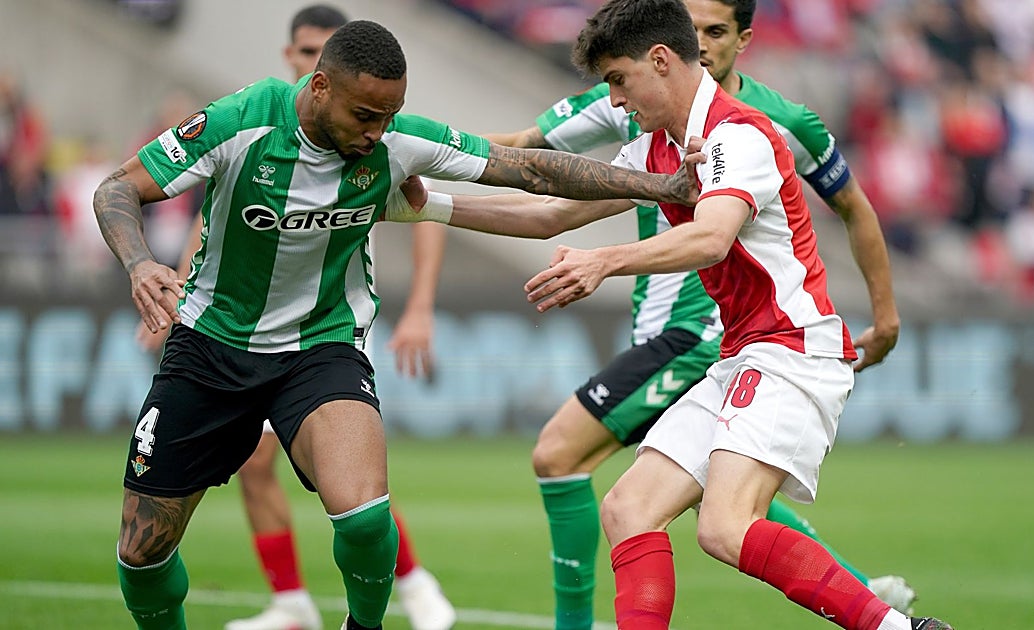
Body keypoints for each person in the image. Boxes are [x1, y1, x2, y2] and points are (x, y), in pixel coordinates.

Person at [95, 19, 699, 630]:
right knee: (142, 555)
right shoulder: (241, 120)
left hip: (320, 347)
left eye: (389, 116)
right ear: (320, 87)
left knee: (364, 516)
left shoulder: (395, 140)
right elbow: (117, 188)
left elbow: (529, 170)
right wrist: (140, 262)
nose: (377, 132)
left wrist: (663, 186)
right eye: (365, 116)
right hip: (209, 348)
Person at [387, 0, 954, 628]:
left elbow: (711, 237)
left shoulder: (738, 134)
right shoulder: (655, 149)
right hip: (740, 355)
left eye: (618, 80)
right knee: (629, 508)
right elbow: (551, 213)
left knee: (725, 526)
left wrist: (605, 261)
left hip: (792, 350)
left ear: (660, 60)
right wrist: (427, 206)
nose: (615, 99)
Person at [134, 7, 456, 630]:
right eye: (306, 52)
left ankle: (413, 581)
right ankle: (291, 601)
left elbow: (432, 212)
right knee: (256, 466)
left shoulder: (371, 134)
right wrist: (172, 289)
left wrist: (420, 306)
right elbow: (218, 221)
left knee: (348, 477)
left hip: (324, 329)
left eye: (323, 51)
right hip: (232, 336)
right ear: (296, 61)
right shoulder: (254, 126)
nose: (313, 63)